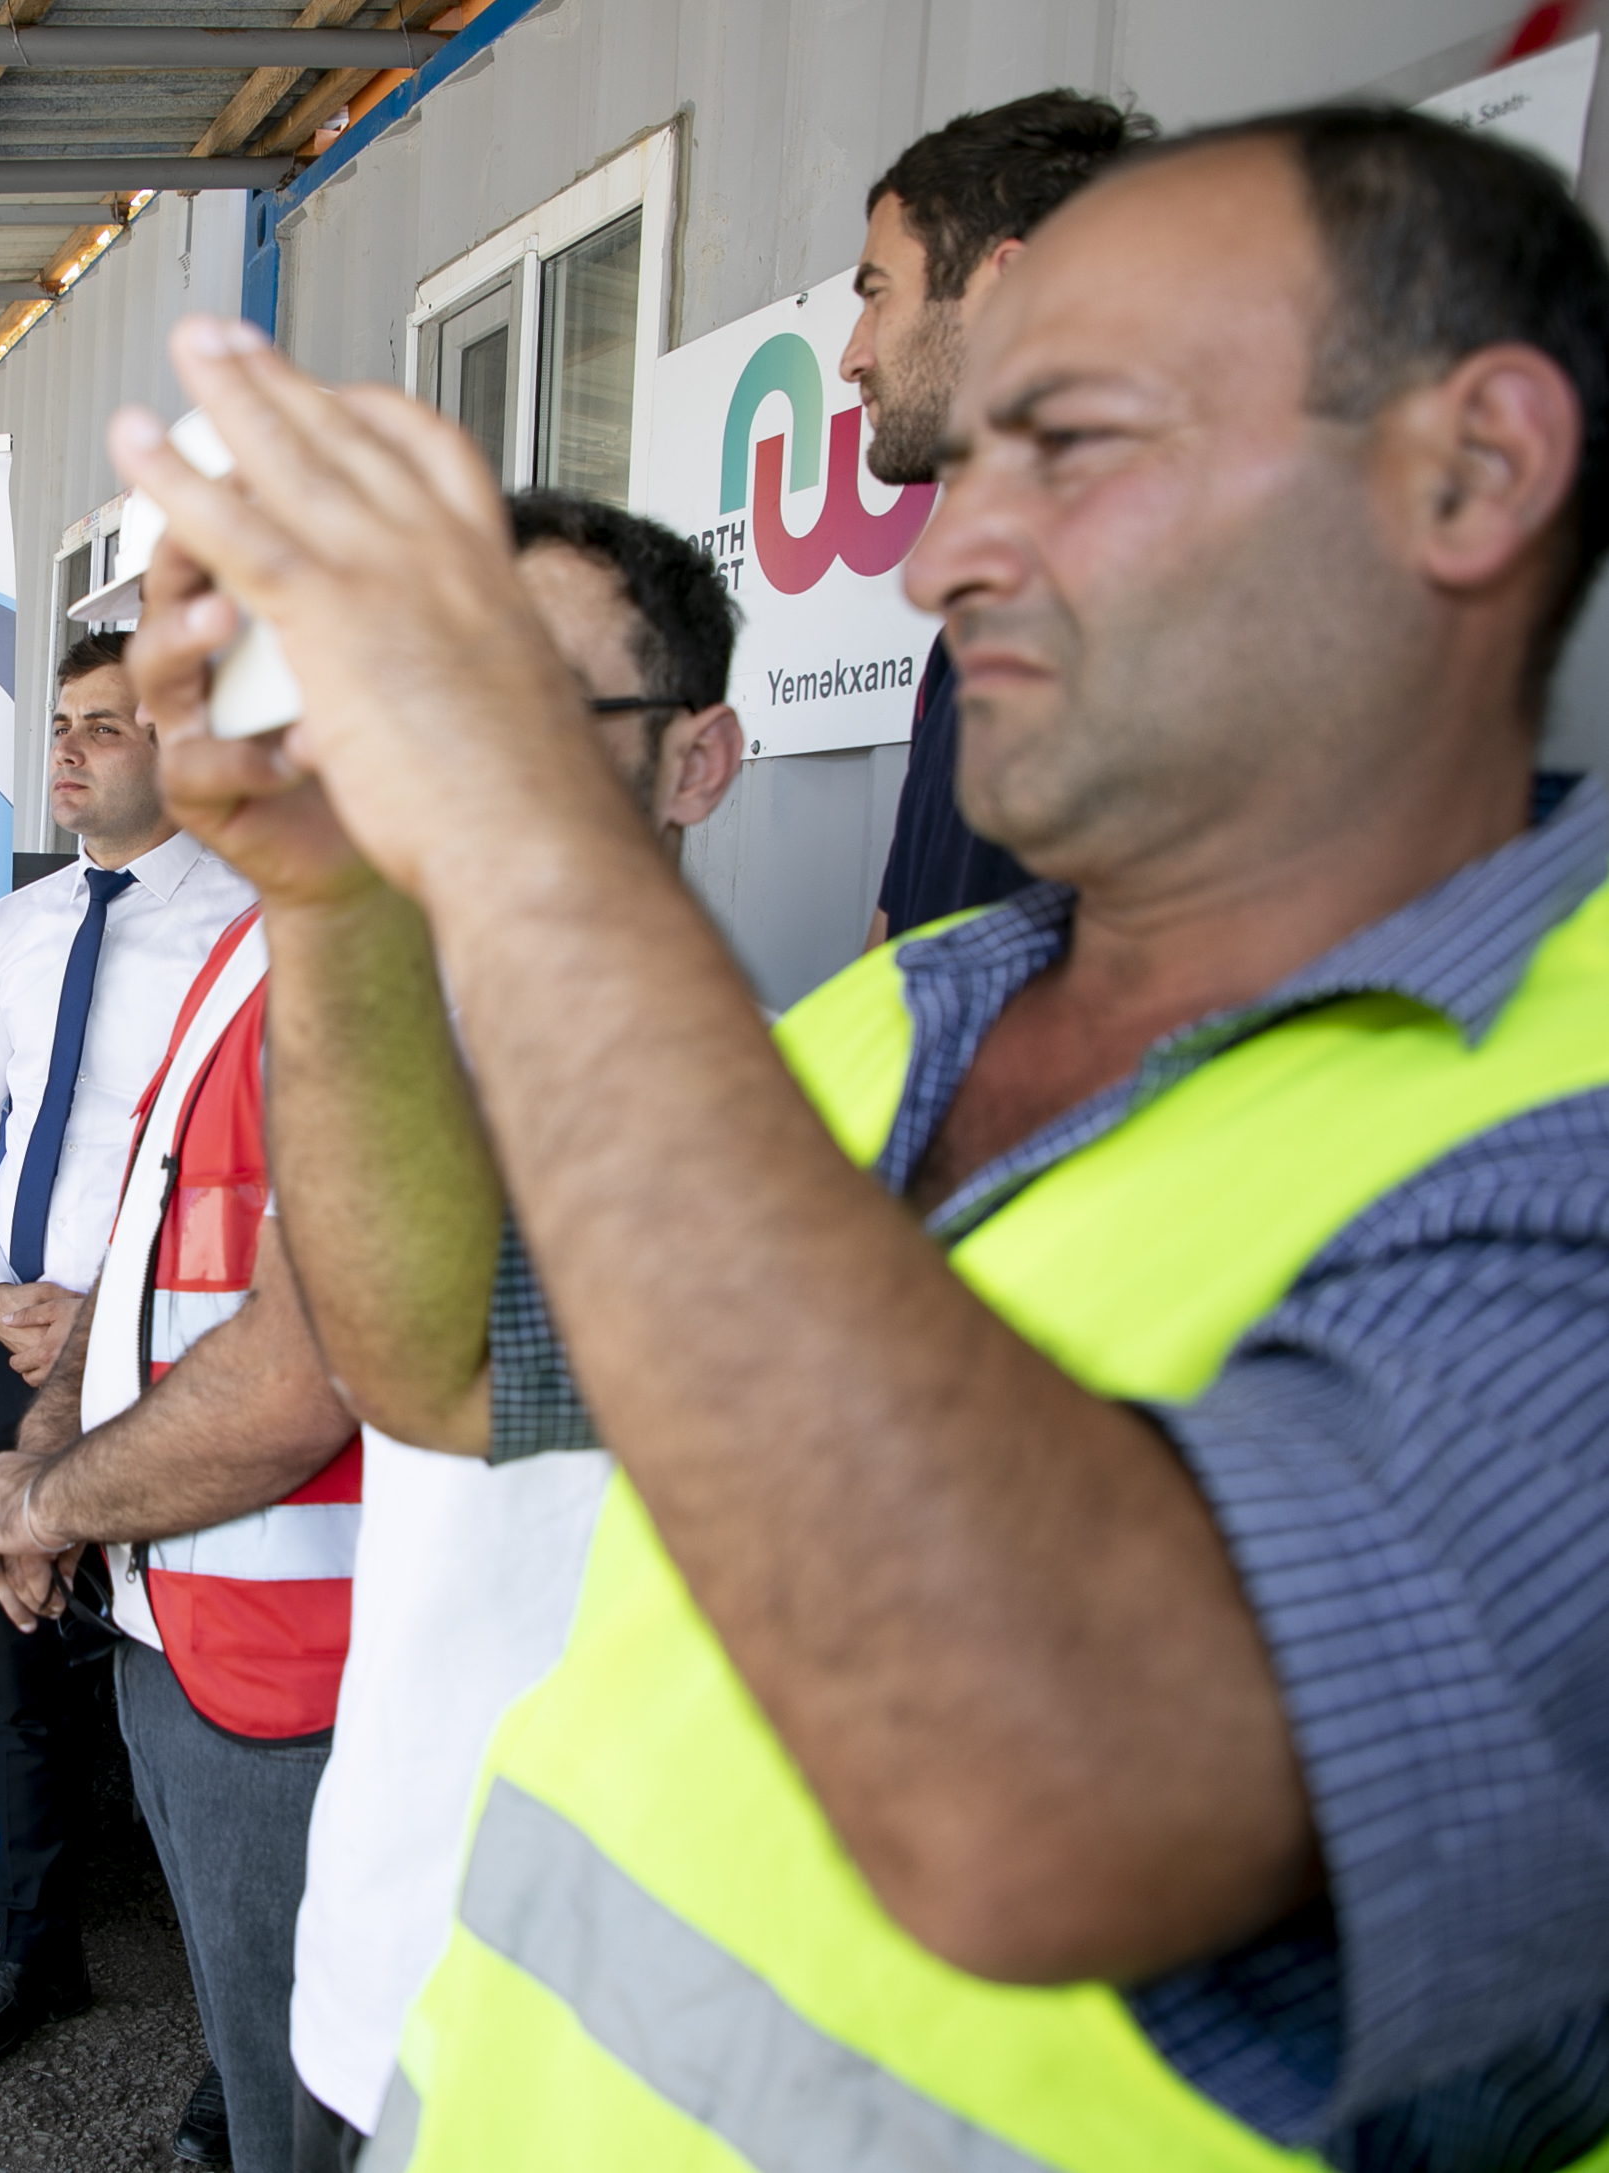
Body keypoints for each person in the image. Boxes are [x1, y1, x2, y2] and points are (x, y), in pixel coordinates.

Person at [116, 106, 1609, 2172]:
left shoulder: (1565, 1105)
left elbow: (1054, 1800)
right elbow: (440, 1357)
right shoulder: (919, 1007)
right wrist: (338, 893)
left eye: (1066, 446)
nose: (939, 557)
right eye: (961, 458)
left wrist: (513, 799)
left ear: (1470, 469)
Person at [0, 494, 746, 2170]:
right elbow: (150, 1238)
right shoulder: (293, 934)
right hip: (197, 1629)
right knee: (275, 2075)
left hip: (318, 1680)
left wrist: (44, 1496)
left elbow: (303, 1365)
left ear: (696, 762)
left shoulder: (530, 994)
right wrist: (45, 1442)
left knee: (333, 2109)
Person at [0, 630, 258, 2072]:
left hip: (168, 1359)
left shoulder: (250, 929)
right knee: (24, 1669)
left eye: (103, 725)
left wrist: (103, 1312)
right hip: (6, 1346)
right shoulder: (18, 924)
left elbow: (230, 1174)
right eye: (61, 722)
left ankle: (231, 2047)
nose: (65, 748)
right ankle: (32, 1954)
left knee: (198, 1696)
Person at [845, 89, 1149, 946]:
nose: (852, 356)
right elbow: (894, 961)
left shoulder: (1159, 616)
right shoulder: (969, 639)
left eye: (877, 295)